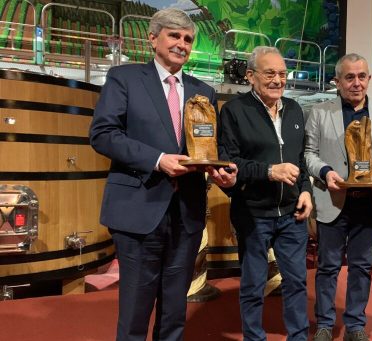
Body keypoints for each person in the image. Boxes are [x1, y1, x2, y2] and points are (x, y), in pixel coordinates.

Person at [89, 8, 237, 341]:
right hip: (138, 208)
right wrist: (157, 160)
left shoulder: (204, 91)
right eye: (174, 35)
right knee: (136, 311)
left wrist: (220, 172)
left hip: (186, 212)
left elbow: (208, 147)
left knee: (175, 310)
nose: (182, 44)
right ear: (153, 38)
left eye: (188, 39)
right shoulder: (124, 78)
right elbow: (102, 134)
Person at [304, 53, 372, 341]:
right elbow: (308, 154)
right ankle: (325, 324)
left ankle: (355, 325)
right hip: (333, 201)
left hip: (370, 204)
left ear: (369, 79)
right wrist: (324, 171)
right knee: (327, 267)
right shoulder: (320, 112)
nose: (356, 83)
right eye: (349, 77)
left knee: (362, 267)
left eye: (362, 76)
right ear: (337, 81)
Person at [218, 46, 313, 341]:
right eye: (270, 73)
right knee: (253, 285)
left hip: (292, 215)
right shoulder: (235, 111)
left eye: (283, 73)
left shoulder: (295, 109)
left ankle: (298, 337)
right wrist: (269, 171)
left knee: (297, 282)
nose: (278, 80)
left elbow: (301, 160)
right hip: (253, 213)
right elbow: (229, 161)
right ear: (250, 76)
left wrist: (306, 191)